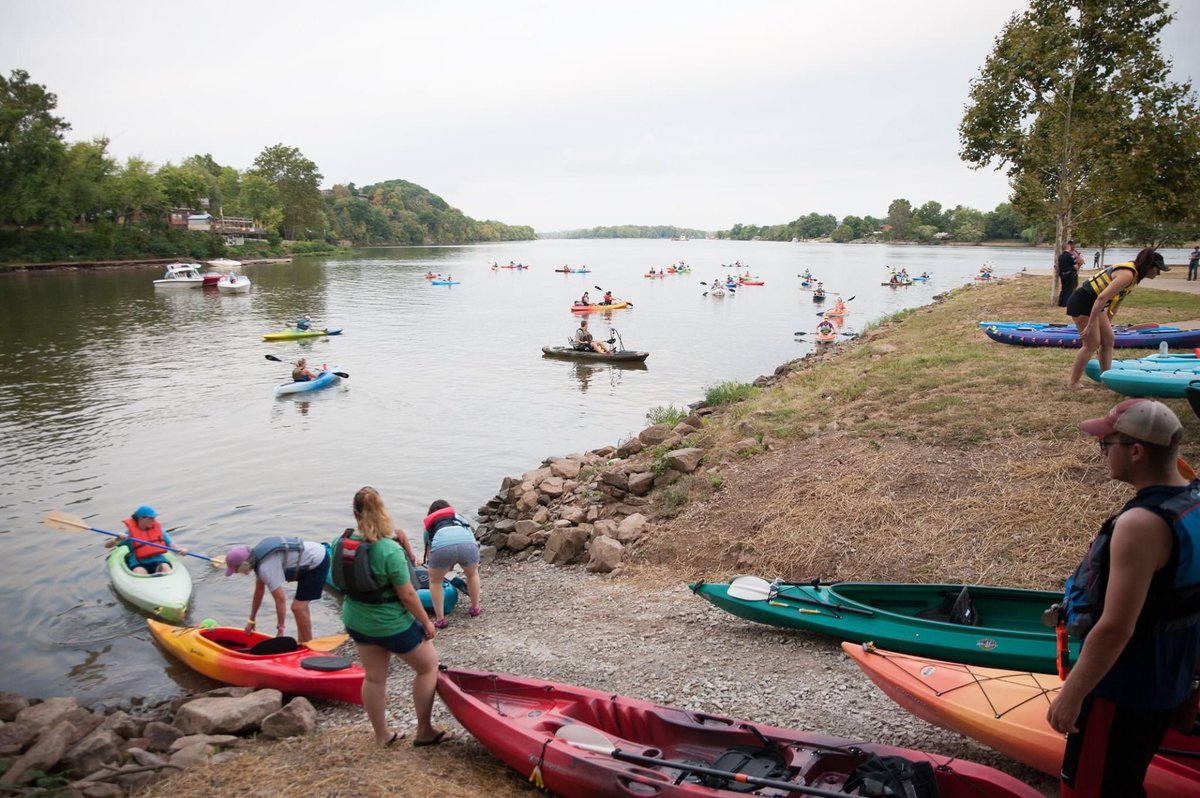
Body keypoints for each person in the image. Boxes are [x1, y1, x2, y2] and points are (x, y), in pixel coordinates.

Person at [1047, 399, 1200, 797]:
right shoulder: (1194, 501)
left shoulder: (1141, 524)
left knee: (1092, 788)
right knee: (1125, 778)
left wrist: (1072, 695)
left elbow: (1115, 628)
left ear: (1136, 451)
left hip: (1123, 687)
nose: (1102, 453)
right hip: (1171, 677)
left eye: (1106, 444)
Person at [333, 487, 447, 747]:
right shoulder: (388, 549)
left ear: (355, 513)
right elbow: (407, 594)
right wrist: (426, 623)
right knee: (428, 667)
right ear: (384, 511)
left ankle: (382, 735)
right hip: (390, 624)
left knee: (374, 677)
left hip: (355, 619)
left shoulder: (340, 542)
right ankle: (424, 731)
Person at [1067, 248, 1167, 388]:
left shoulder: (1134, 277)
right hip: (1083, 302)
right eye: (1158, 269)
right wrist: (1090, 325)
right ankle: (1073, 383)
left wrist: (1107, 323)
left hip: (1095, 304)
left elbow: (1116, 302)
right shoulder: (1127, 274)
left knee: (1108, 340)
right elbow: (1102, 297)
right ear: (1150, 267)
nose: (1158, 273)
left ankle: (1106, 379)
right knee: (1091, 344)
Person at [224, 536, 329, 643]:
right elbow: (259, 592)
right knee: (300, 606)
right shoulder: (257, 559)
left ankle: (308, 647)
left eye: (236, 570)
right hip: (309, 559)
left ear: (244, 564)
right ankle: (302, 642)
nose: (236, 573)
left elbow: (280, 600)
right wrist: (252, 620)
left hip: (317, 561)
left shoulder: (265, 568)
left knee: (298, 607)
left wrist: (281, 630)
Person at [421, 500, 483, 628]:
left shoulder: (430, 525)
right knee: (472, 575)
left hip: (443, 548)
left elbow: (430, 554)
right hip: (468, 545)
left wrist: (442, 567)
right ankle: (475, 608)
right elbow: (470, 537)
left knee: (435, 581)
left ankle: (440, 619)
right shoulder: (458, 517)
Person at [118, 505, 185, 574]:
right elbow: (107, 545)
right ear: (141, 518)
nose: (154, 520)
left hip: (158, 561)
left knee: (165, 567)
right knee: (140, 571)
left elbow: (171, 544)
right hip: (139, 563)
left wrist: (180, 550)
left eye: (154, 518)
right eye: (151, 518)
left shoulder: (159, 531)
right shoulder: (129, 533)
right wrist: (117, 539)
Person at [1057, 241, 1081, 307]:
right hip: (1069, 275)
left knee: (1063, 288)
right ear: (1068, 247)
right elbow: (1075, 267)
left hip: (1062, 274)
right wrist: (1078, 265)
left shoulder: (1060, 256)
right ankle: (1066, 303)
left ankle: (1060, 302)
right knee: (1069, 289)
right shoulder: (1070, 256)